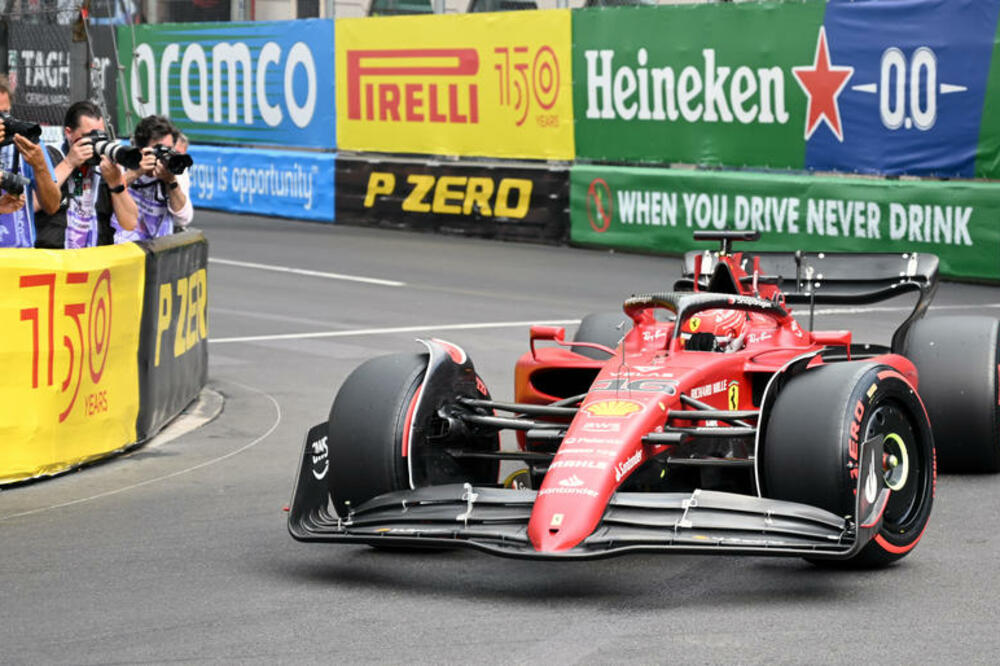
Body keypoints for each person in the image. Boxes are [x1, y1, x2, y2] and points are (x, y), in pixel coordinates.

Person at [34, 101, 132, 249]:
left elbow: (129, 223)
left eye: (101, 137)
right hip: (54, 261)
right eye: (89, 137)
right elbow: (31, 205)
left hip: (93, 264)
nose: (95, 144)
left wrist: (116, 183)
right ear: (69, 133)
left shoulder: (105, 166)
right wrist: (69, 163)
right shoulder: (49, 156)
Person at [0, 76, 61, 248]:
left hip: (22, 259)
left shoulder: (25, 140)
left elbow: (52, 205)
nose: (2, 121)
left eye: (5, 113)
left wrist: (40, 165)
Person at [111, 115, 192, 243]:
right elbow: (108, 196)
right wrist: (136, 172)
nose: (165, 156)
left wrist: (171, 182)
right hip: (122, 248)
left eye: (169, 149)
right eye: (159, 150)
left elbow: (184, 219)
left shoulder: (176, 170)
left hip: (157, 251)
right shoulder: (125, 162)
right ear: (142, 150)